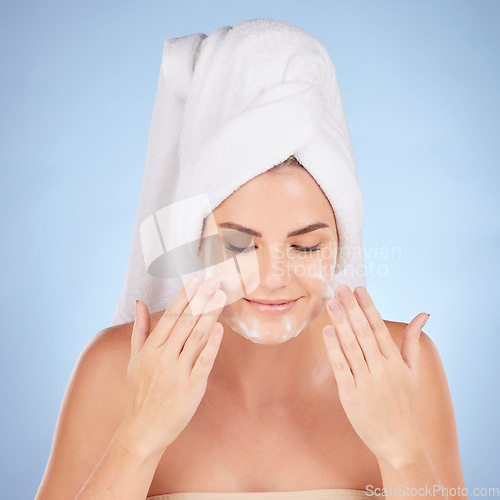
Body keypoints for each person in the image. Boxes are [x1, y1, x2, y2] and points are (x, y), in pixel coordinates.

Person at [35, 19, 467, 500]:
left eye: (305, 246)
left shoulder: (403, 369)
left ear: (342, 246)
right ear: (194, 243)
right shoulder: (116, 370)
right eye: (239, 245)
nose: (274, 279)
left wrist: (402, 449)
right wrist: (138, 437)